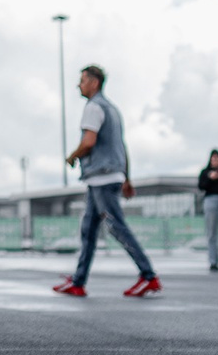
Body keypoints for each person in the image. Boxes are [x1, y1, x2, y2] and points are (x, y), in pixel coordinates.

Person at [55, 65, 160, 298]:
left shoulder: (93, 107)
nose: (79, 85)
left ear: (94, 83)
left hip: (102, 178)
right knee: (89, 230)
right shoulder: (112, 109)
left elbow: (88, 141)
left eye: (83, 81)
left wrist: (72, 156)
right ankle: (78, 281)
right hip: (105, 178)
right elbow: (121, 146)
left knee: (117, 227)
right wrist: (126, 178)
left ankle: (148, 276)